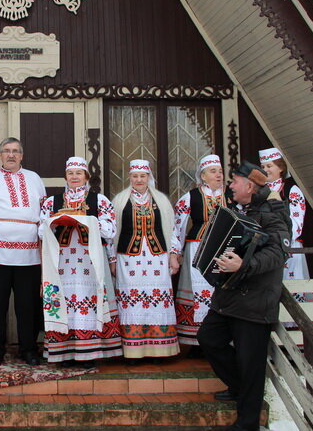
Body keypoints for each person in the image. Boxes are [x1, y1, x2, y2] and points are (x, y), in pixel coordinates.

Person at [197, 162, 290, 431]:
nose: (230, 185)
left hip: (255, 300)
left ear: (250, 186)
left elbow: (278, 253)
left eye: (234, 181)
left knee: (251, 363)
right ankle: (240, 387)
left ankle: (247, 423)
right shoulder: (243, 210)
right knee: (209, 339)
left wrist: (244, 265)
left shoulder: (273, 212)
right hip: (229, 297)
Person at [0, 137, 46, 366]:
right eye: (6, 151)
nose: (11, 155)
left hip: (30, 256)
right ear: (0, 155)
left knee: (28, 306)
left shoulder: (34, 179)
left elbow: (45, 214)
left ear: (22, 155)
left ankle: (29, 349)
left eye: (15, 151)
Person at [40, 157, 122, 367]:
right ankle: (65, 352)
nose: (74, 177)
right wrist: (56, 222)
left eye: (79, 173)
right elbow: (40, 231)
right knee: (64, 301)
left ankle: (89, 353)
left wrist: (86, 220)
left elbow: (110, 231)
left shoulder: (100, 200)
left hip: (91, 260)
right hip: (62, 262)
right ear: (65, 177)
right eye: (70, 173)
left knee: (90, 300)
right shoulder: (52, 202)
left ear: (86, 176)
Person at [111, 159, 180, 360]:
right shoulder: (120, 200)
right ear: (130, 178)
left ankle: (160, 349)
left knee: (157, 300)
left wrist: (174, 256)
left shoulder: (161, 201)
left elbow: (173, 230)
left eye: (142, 176)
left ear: (149, 177)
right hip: (128, 260)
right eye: (135, 176)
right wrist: (112, 260)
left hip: (157, 258)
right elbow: (112, 233)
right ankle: (132, 349)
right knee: (132, 302)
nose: (139, 180)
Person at [171, 154, 226, 348]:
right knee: (198, 292)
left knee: (220, 293)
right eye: (213, 172)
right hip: (197, 249)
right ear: (203, 176)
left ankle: (221, 339)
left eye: (220, 171)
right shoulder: (191, 197)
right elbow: (177, 227)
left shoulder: (231, 196)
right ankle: (196, 342)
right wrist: (174, 253)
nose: (218, 175)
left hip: (224, 249)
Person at [259, 147, 311, 305]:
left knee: (291, 290)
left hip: (288, 246)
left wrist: (282, 241)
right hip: (267, 247)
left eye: (270, 166)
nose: (265, 170)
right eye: (263, 167)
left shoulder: (291, 190)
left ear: (280, 168)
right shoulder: (260, 191)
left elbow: (297, 223)